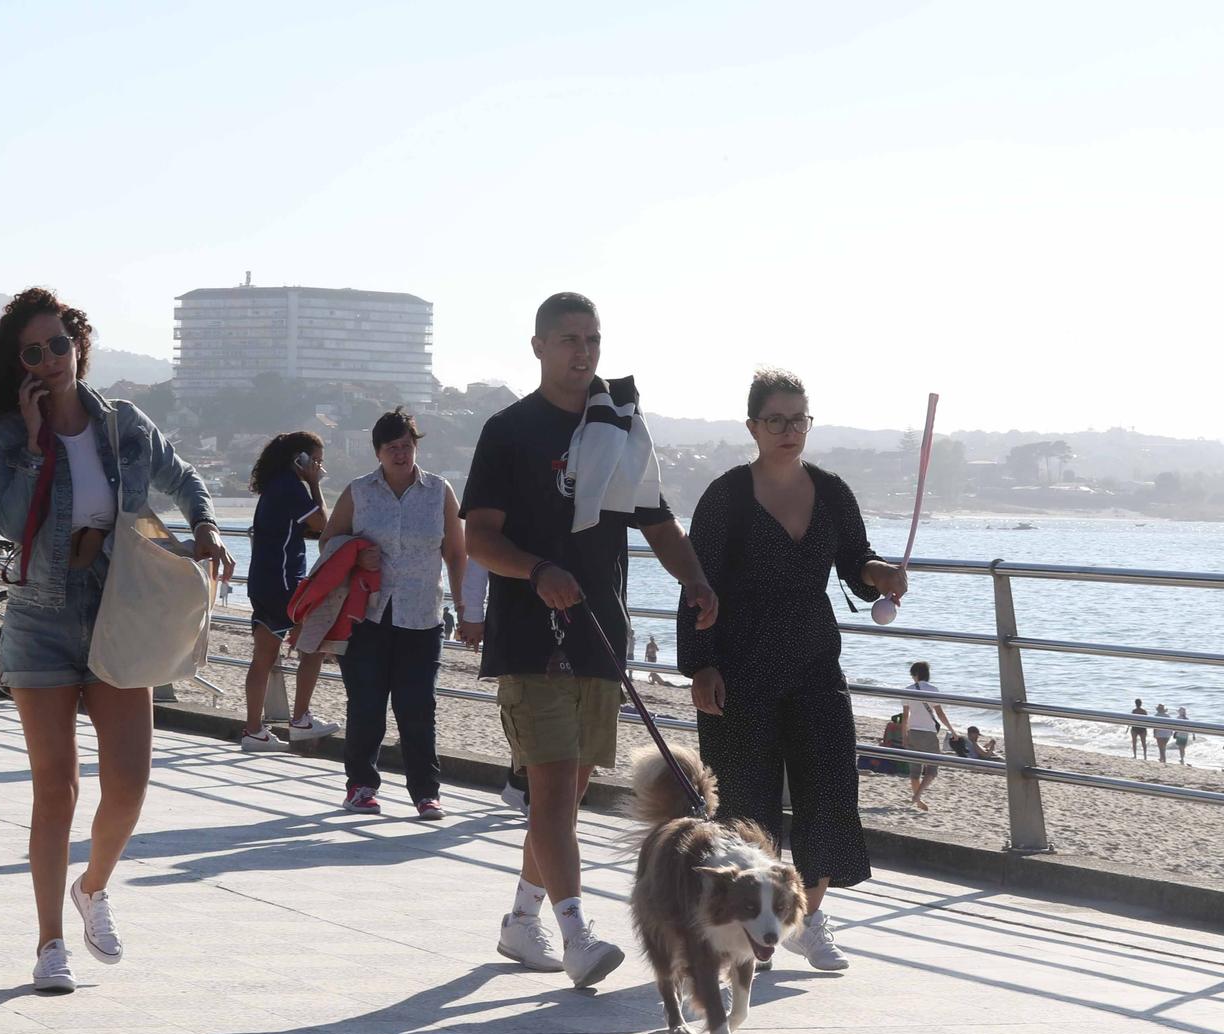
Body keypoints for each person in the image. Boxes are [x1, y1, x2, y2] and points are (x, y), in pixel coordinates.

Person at [0, 288, 233, 994]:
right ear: (17, 363)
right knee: (56, 786)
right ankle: (50, 940)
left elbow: (185, 478)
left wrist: (206, 526)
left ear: (78, 345)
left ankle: (94, 887)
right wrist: (28, 442)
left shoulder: (123, 425)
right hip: (40, 616)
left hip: (118, 609)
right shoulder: (4, 434)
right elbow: (10, 520)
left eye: (59, 344)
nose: (50, 359)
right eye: (34, 351)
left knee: (130, 782)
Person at [462, 291, 718, 988]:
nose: (583, 351)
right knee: (549, 790)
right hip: (530, 635)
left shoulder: (620, 427)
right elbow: (478, 535)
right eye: (570, 338)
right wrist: (538, 568)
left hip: (599, 633)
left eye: (593, 339)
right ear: (539, 346)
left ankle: (521, 919)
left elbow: (658, 520)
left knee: (566, 793)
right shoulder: (509, 430)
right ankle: (577, 934)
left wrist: (694, 580)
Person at [682, 367, 906, 972]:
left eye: (798, 419)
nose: (788, 430)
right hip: (739, 664)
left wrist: (881, 574)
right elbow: (695, 583)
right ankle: (750, 930)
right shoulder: (726, 495)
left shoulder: (831, 490)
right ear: (752, 426)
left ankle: (806, 917)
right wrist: (699, 667)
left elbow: (856, 557)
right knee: (745, 808)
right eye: (775, 420)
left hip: (813, 661)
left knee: (830, 790)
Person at [322, 407, 467, 820]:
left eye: (407, 446)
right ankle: (361, 786)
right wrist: (355, 553)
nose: (401, 454)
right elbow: (329, 542)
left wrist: (465, 606)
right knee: (365, 705)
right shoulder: (359, 491)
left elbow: (456, 554)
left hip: (422, 616)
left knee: (418, 707)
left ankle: (426, 793)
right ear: (378, 452)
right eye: (392, 448)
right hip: (367, 615)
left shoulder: (439, 491)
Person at [239, 431, 339, 751]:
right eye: (317, 460)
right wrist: (315, 483)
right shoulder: (292, 487)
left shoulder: (274, 486)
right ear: (301, 459)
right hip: (284, 583)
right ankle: (301, 719)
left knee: (263, 658)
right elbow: (323, 523)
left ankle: (254, 730)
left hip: (262, 581)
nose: (320, 467)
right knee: (315, 645)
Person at [902, 661, 956, 811]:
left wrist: (904, 736)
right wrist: (952, 730)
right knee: (932, 769)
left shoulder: (907, 690)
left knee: (914, 771)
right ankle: (917, 796)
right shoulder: (933, 690)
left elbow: (905, 717)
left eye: (912, 675)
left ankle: (918, 799)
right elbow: (940, 713)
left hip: (912, 732)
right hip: (929, 734)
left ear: (916, 674)